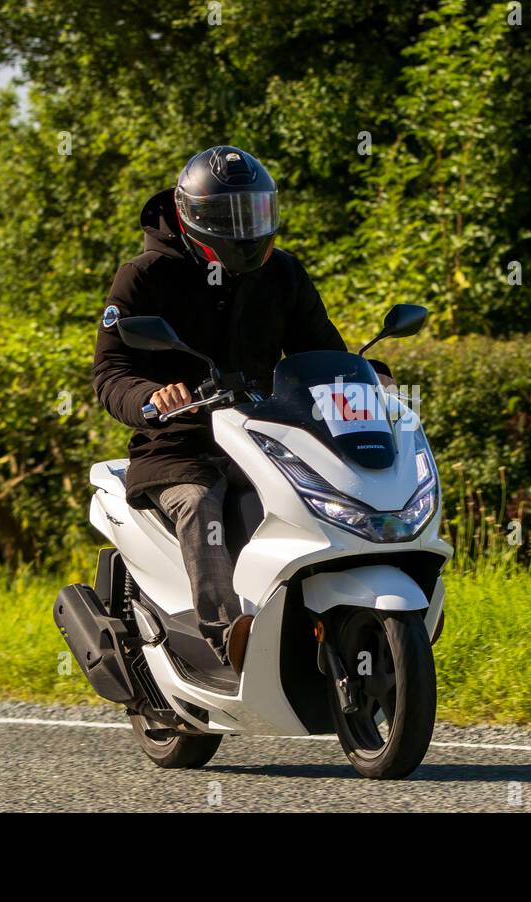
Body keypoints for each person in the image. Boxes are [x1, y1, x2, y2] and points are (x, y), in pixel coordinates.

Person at [91, 145, 348, 672]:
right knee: (198, 503)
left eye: (254, 213)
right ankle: (225, 636)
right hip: (179, 445)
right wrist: (151, 398)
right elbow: (110, 374)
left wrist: (364, 378)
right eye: (229, 217)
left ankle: (324, 621)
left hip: (269, 436)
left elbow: (320, 350)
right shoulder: (143, 277)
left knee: (322, 501)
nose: (246, 228)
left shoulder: (284, 273)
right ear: (194, 217)